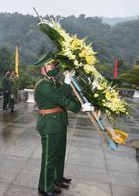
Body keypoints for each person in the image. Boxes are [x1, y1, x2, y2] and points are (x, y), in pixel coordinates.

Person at [33, 52, 94, 196]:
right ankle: (45, 187)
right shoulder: (43, 85)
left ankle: (56, 179)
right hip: (49, 124)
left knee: (59, 154)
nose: (54, 67)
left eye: (55, 65)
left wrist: (84, 102)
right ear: (43, 68)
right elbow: (61, 99)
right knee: (49, 157)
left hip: (58, 122)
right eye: (51, 65)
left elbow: (69, 95)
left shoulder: (54, 81)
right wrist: (79, 108)